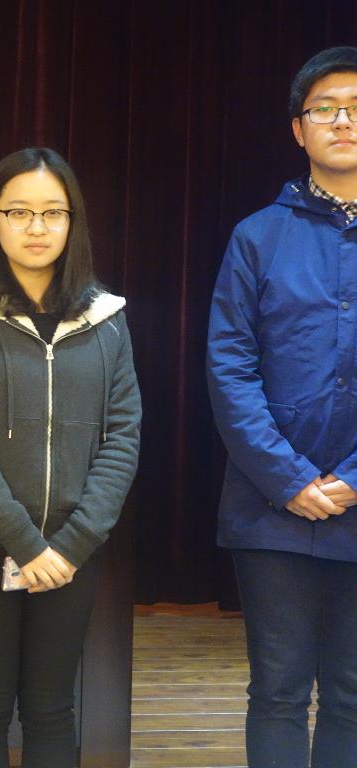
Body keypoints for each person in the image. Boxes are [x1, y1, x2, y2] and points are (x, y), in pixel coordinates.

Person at [0, 147, 141, 768]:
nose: (37, 227)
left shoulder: (106, 320)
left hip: (73, 546)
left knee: (52, 707)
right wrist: (25, 543)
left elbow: (123, 436)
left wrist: (72, 544)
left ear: (73, 222)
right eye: (19, 212)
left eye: (52, 212)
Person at [206, 46, 357, 768]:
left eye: (356, 108)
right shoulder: (256, 237)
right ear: (298, 129)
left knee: (353, 692)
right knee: (277, 691)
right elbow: (228, 370)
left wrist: (352, 478)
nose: (342, 121)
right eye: (325, 108)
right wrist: (289, 479)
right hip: (270, 509)